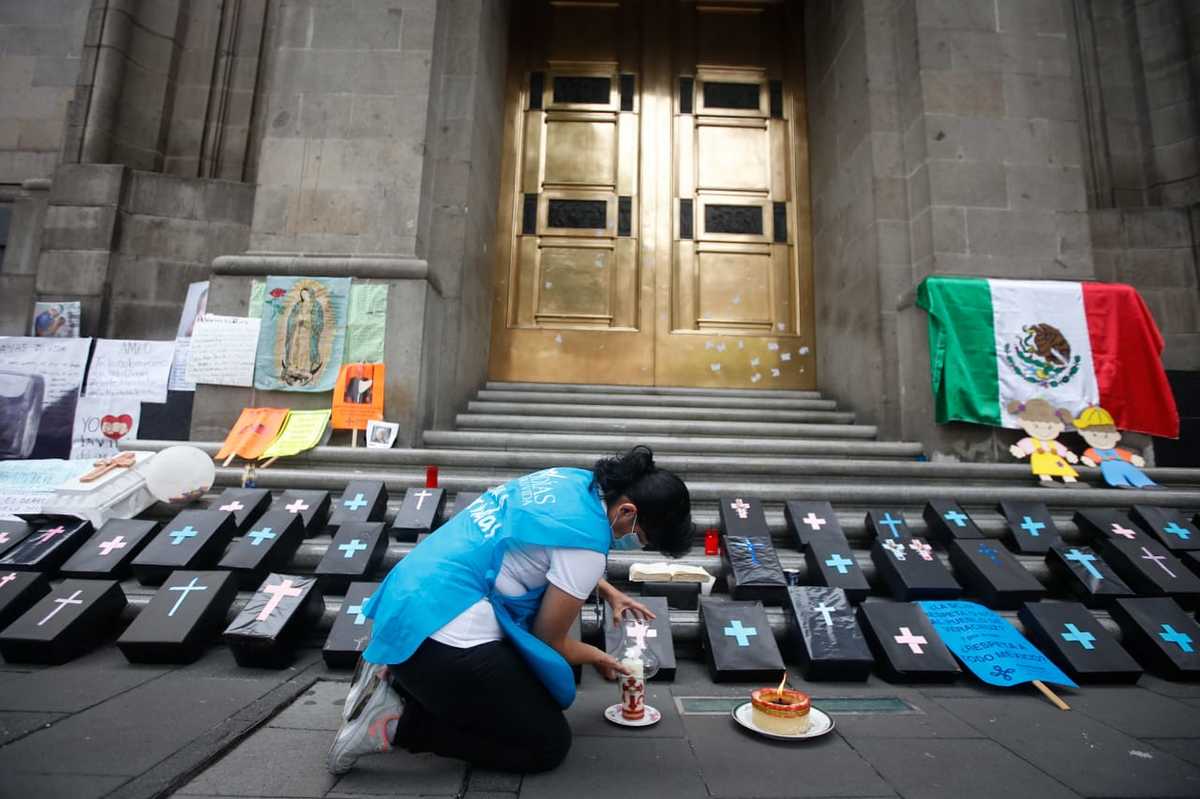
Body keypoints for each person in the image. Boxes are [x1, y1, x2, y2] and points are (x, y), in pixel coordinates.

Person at [327, 446, 692, 775]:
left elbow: (545, 545)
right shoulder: (587, 550)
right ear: (627, 511)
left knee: (522, 692)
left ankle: (390, 678)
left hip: (407, 602)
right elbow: (548, 639)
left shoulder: (570, 481)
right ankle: (394, 726)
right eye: (643, 538)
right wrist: (600, 656)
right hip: (442, 637)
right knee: (546, 744)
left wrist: (608, 590)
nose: (636, 544)